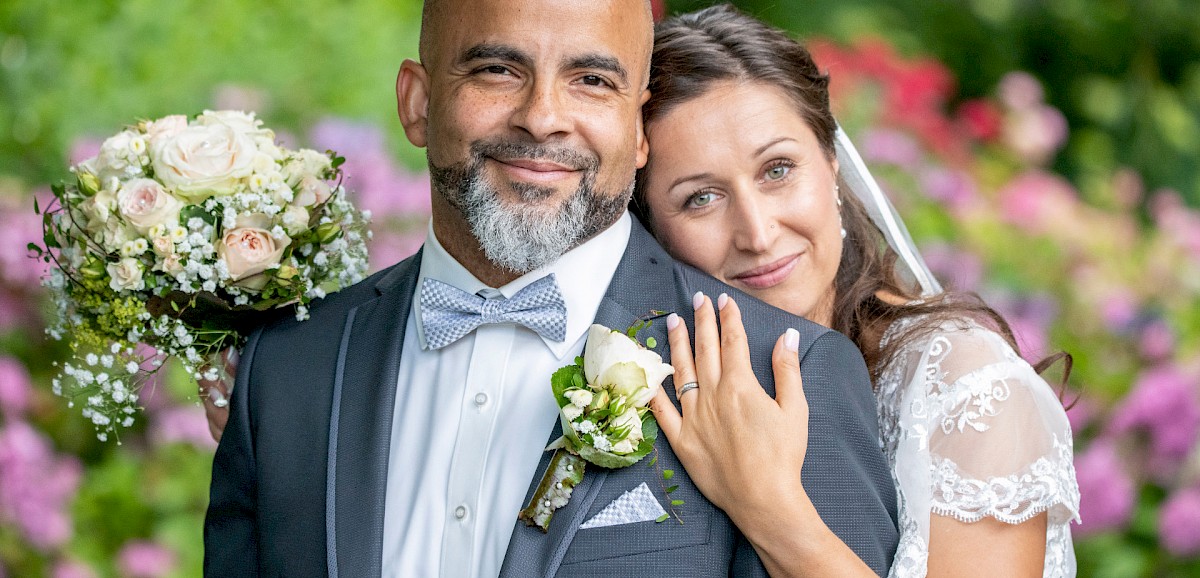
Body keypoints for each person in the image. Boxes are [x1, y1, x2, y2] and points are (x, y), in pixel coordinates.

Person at [204, 0, 900, 576]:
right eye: (497, 70)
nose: (541, 117)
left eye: (592, 81)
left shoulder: (784, 373)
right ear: (417, 103)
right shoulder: (285, 370)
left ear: (638, 126)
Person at [634, 5, 1080, 577]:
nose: (759, 232)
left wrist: (765, 505)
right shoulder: (663, 387)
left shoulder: (967, 392)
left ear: (831, 166)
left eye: (777, 170)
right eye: (701, 197)